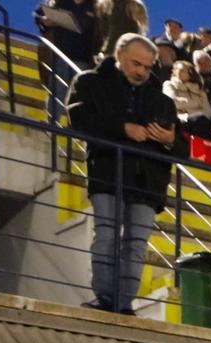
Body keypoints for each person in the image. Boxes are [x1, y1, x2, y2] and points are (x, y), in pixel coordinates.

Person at [68, 34, 177, 315]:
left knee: (137, 244)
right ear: (119, 55)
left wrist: (169, 140)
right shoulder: (90, 82)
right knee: (106, 234)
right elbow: (78, 120)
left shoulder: (163, 100)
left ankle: (124, 303)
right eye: (136, 64)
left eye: (147, 66)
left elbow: (181, 146)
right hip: (108, 170)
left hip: (147, 180)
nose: (142, 71)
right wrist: (123, 128)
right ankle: (106, 298)